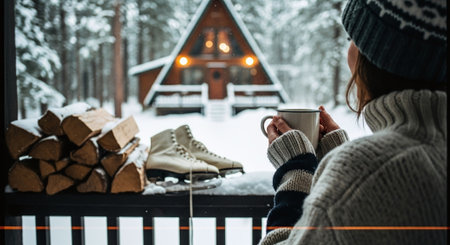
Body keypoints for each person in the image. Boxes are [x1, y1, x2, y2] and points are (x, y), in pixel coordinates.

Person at [260, 0, 447, 244]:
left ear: (379, 53)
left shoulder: (364, 172)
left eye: (352, 39)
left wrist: (296, 171)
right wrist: (336, 158)